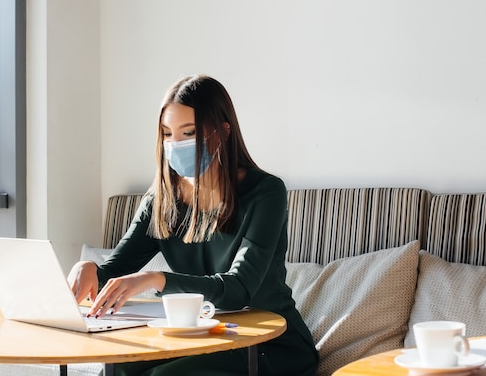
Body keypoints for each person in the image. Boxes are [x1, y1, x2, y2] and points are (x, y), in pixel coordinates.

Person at [68, 75, 319, 376]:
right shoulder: (160, 202)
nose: (175, 145)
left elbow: (238, 290)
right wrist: (89, 269)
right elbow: (113, 273)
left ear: (222, 132)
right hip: (201, 337)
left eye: (188, 133)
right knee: (120, 369)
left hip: (270, 344)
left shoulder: (265, 193)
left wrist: (156, 280)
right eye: (167, 134)